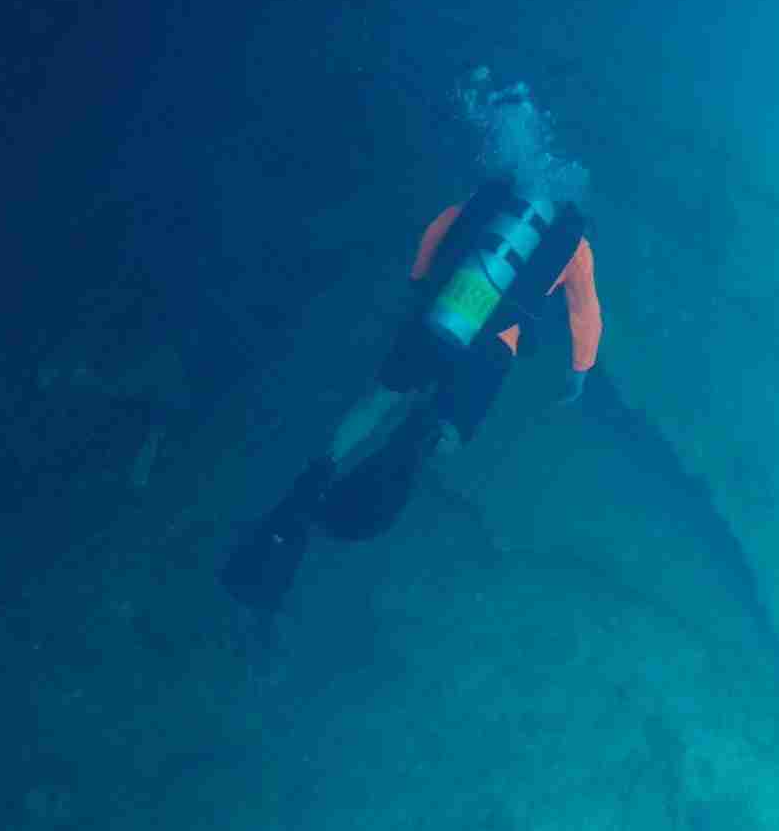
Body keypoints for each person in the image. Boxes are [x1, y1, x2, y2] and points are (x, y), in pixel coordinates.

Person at [222, 170, 602, 614]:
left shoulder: (499, 200)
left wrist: (420, 284)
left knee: (379, 398)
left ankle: (311, 482)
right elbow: (585, 311)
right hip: (494, 348)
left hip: (443, 310)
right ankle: (402, 457)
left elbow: (441, 229)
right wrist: (580, 371)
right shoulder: (576, 246)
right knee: (444, 435)